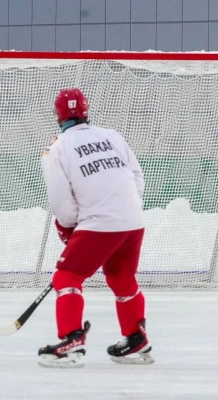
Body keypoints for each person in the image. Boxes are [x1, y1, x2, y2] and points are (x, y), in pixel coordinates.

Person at [38, 87, 153, 368]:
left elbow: (60, 200)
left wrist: (69, 226)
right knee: (122, 277)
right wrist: (127, 208)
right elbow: (137, 177)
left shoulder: (56, 148)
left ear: (57, 115)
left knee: (67, 276)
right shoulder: (112, 135)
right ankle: (136, 338)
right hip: (133, 221)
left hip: (99, 224)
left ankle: (71, 340)